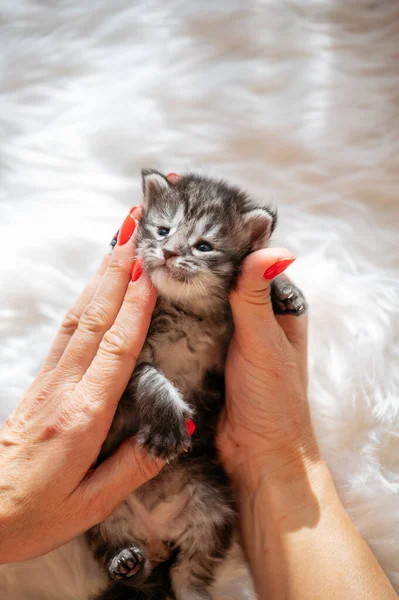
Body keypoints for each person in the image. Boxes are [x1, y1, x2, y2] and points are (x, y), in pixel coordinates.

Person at [0, 207, 396, 600]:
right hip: (132, 477)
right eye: (162, 230)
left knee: (207, 510)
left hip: (190, 474)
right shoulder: (142, 310)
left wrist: (272, 454)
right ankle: (128, 564)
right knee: (111, 520)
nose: (171, 250)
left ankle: (190, 583)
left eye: (203, 245)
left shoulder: (225, 313)